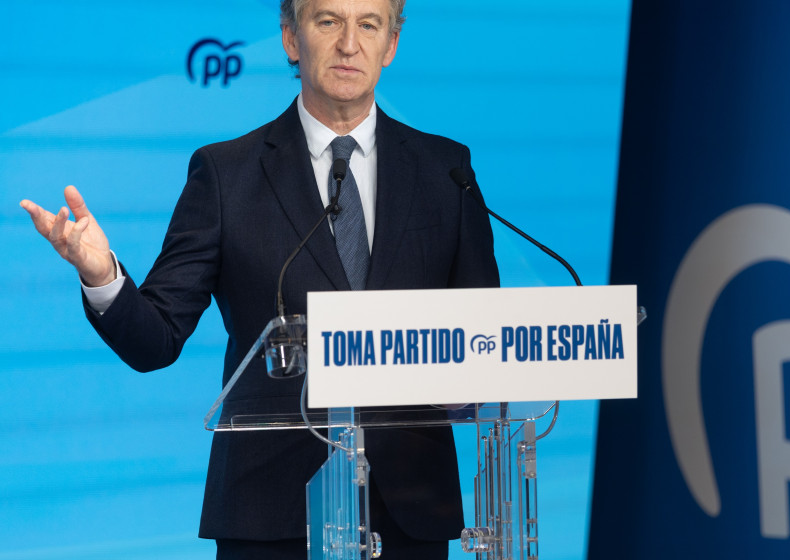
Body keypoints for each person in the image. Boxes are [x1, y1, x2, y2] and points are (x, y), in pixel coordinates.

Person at [19, 0, 499, 558]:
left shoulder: (447, 170)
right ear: (292, 39)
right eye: (327, 21)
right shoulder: (227, 174)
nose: (349, 43)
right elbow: (155, 339)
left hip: (410, 513)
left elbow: (481, 340)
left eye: (369, 24)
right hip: (270, 515)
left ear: (391, 45)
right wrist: (103, 276)